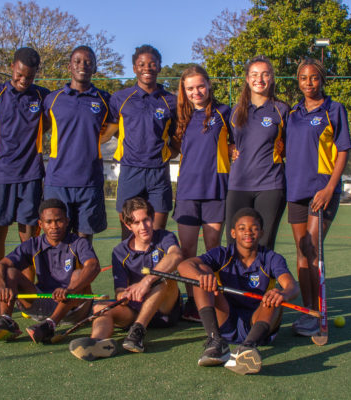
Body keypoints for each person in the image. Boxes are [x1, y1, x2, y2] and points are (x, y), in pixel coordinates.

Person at [0, 47, 50, 316]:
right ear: (11, 67)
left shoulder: (41, 96)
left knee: (28, 236)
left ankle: (28, 296)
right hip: (0, 176)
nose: (23, 81)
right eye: (19, 75)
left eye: (28, 77)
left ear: (35, 74)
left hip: (31, 175)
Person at [178, 208, 299, 375]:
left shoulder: (272, 258)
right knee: (203, 273)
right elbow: (183, 266)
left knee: (275, 295)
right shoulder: (222, 254)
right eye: (242, 228)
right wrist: (201, 276)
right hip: (226, 319)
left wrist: (283, 294)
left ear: (262, 232)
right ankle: (215, 341)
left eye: (254, 228)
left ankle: (247, 348)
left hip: (257, 322)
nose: (248, 232)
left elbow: (292, 286)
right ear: (233, 233)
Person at [68, 197, 183, 361]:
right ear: (129, 226)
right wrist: (125, 295)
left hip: (166, 310)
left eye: (146, 220)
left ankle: (138, 331)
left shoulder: (165, 237)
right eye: (136, 223)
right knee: (101, 307)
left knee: (165, 277)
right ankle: (98, 343)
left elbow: (176, 255)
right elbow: (120, 291)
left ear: (152, 219)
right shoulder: (119, 252)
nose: (143, 227)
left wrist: (146, 282)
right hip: (135, 310)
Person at [286, 58, 351, 336]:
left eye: (314, 78)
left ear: (322, 79)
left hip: (321, 191)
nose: (309, 83)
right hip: (295, 191)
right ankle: (309, 310)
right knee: (302, 252)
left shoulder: (334, 110)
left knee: (312, 250)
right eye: (303, 78)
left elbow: (343, 150)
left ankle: (319, 313)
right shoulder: (292, 113)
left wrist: (329, 188)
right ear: (298, 81)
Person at [0, 198, 101, 343]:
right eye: (48, 222)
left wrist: (71, 290)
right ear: (41, 224)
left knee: (79, 274)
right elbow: (0, 266)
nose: (54, 226)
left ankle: (51, 324)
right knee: (10, 273)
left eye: (59, 221)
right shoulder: (33, 244)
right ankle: (6, 320)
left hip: (73, 306)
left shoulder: (79, 243)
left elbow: (93, 266)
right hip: (42, 303)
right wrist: (2, 287)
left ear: (67, 221)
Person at [171, 65, 232, 322]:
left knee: (211, 251)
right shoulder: (180, 118)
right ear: (184, 91)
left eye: (200, 86)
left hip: (215, 191)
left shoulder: (225, 112)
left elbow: (238, 143)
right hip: (186, 193)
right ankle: (192, 303)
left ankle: (215, 301)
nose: (196, 92)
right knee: (186, 253)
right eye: (190, 88)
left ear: (209, 85)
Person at [106, 45, 177, 239]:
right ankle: (127, 269)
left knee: (157, 234)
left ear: (160, 67)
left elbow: (177, 135)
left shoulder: (171, 101)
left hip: (159, 172)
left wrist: (169, 152)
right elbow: (111, 130)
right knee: (128, 234)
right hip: (130, 171)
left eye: (152, 64)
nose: (147, 68)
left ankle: (155, 269)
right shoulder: (120, 98)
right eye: (142, 64)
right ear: (134, 68)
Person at [42, 45, 111, 244]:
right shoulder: (52, 99)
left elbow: (114, 126)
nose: (83, 65)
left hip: (90, 182)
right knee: (57, 240)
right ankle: (54, 276)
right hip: (57, 182)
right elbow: (41, 128)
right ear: (69, 66)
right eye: (78, 61)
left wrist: (98, 140)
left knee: (84, 241)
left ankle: (82, 276)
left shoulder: (105, 100)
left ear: (95, 67)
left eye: (88, 62)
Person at [225, 55, 289, 251]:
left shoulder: (281, 110)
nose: (259, 79)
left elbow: (292, 144)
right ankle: (234, 283)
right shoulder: (235, 111)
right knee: (234, 244)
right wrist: (229, 148)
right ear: (246, 78)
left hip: (270, 185)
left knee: (263, 244)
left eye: (265, 74)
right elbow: (229, 141)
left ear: (272, 78)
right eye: (254, 74)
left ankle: (263, 282)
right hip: (238, 185)